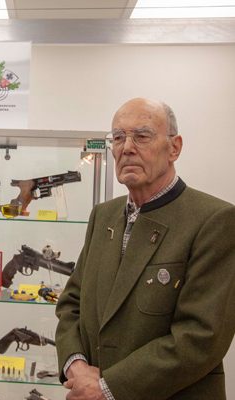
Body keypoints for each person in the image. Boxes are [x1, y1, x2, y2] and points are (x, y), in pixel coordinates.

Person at [55, 98, 235, 400]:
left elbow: (200, 337)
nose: (126, 148)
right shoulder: (104, 215)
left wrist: (106, 387)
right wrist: (76, 367)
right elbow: (71, 303)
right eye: (118, 137)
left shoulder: (214, 221)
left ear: (174, 148)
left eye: (142, 136)